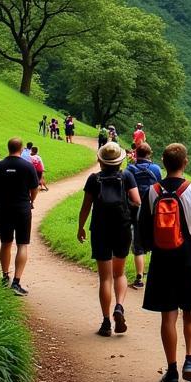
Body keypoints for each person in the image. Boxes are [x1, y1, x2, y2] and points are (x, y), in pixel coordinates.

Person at [138, 143, 191, 382]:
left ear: (163, 164)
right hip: (189, 259)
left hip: (162, 260)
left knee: (168, 317)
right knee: (190, 313)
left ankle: (172, 371)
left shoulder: (152, 192)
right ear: (185, 162)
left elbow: (144, 231)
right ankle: (190, 360)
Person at [78, 142, 142, 336]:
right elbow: (137, 201)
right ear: (120, 160)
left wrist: (80, 227)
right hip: (122, 228)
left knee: (105, 277)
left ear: (100, 160)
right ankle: (119, 307)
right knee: (119, 273)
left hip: (99, 229)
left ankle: (106, 323)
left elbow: (86, 206)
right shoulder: (127, 176)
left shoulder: (93, 179)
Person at [0, 137, 39, 296]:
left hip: (3, 208)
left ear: (8, 148)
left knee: (6, 242)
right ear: (21, 149)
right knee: (22, 244)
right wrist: (31, 201)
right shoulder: (28, 166)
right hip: (22, 208)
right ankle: (16, 282)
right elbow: (34, 189)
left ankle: (4, 276)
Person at [125, 145, 162, 289]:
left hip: (134, 208)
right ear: (149, 154)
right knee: (157, 241)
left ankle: (139, 278)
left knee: (138, 245)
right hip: (153, 208)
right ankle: (157, 277)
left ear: (136, 153)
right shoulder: (156, 169)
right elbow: (159, 187)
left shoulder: (129, 169)